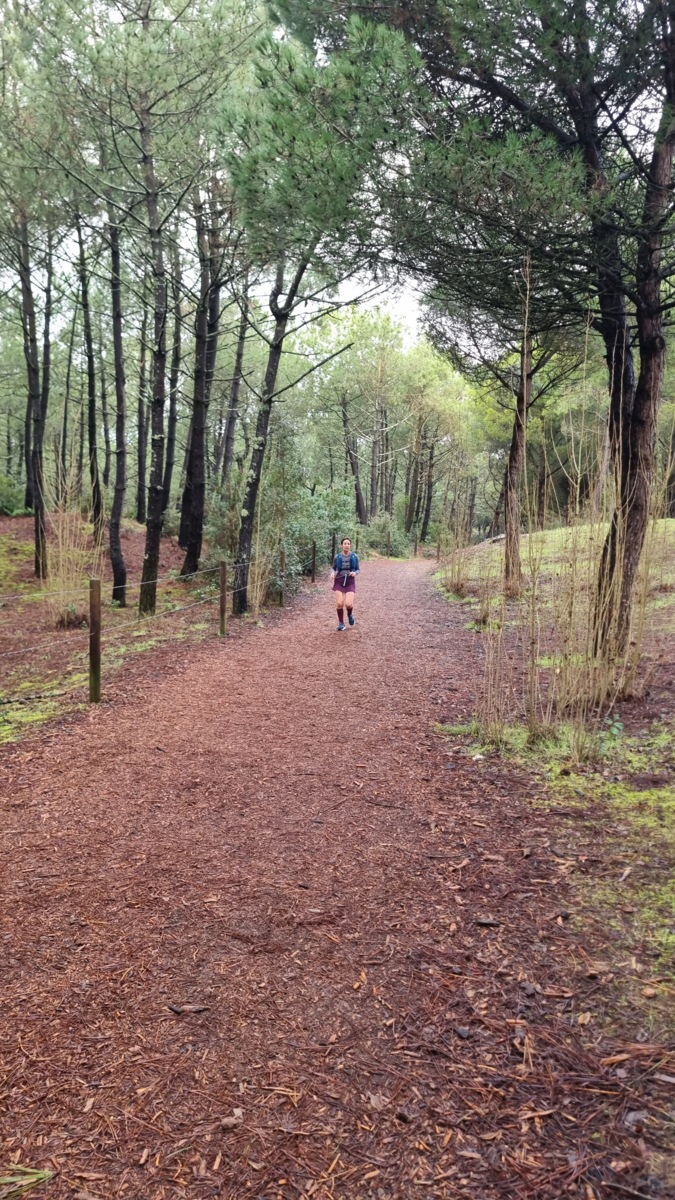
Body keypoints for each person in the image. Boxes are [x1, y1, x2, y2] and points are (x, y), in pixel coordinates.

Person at [331, 536, 360, 631]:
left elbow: (358, 570)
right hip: (339, 580)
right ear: (341, 545)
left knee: (348, 604)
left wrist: (355, 573)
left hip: (350, 581)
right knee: (339, 603)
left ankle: (350, 614)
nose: (346, 545)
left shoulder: (355, 556)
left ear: (350, 545)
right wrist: (332, 573)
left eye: (348, 544)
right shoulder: (337, 557)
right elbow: (333, 568)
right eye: (345, 544)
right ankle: (341, 623)